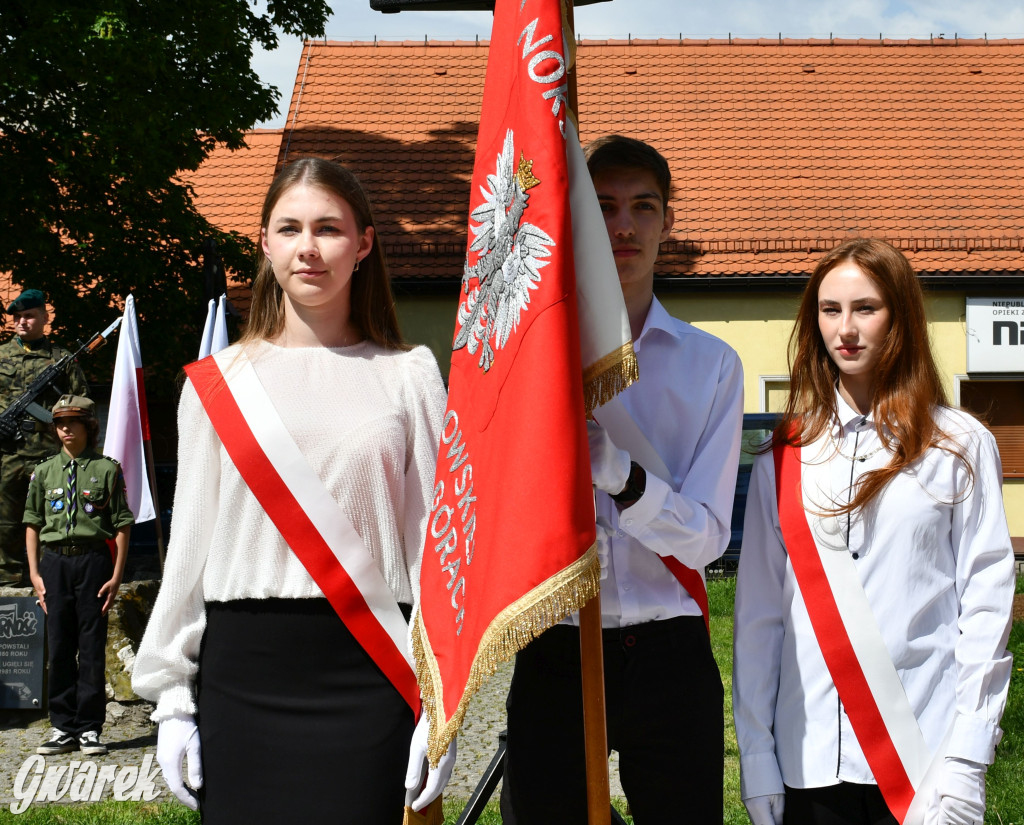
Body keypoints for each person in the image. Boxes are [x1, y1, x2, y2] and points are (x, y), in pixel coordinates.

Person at [132, 157, 454, 823]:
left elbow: (436, 549)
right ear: (265, 242)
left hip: (371, 667)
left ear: (363, 244)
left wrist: (443, 701)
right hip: (243, 673)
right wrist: (170, 702)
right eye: (290, 228)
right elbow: (188, 552)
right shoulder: (214, 383)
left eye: (329, 228)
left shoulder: (411, 376)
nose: (309, 247)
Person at [500, 135, 744, 823]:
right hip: (558, 644)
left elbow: (707, 541)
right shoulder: (531, 357)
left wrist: (621, 476)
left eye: (643, 206)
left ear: (668, 221)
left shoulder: (712, 366)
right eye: (603, 206)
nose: (624, 225)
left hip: (669, 647)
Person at [733, 239, 1015, 825]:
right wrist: (757, 755)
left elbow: (985, 606)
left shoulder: (958, 446)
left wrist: (967, 755)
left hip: (922, 757)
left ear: (901, 317)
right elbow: (759, 622)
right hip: (807, 762)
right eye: (830, 310)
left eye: (866, 308)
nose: (847, 328)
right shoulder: (784, 459)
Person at [24, 394, 134, 756]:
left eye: (72, 422)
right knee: (59, 645)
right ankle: (62, 727)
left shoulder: (106, 469)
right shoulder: (43, 472)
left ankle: (88, 728)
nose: (65, 429)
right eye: (59, 423)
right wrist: (35, 573)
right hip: (55, 564)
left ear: (89, 425)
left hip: (93, 563)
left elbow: (121, 525)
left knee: (90, 647)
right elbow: (33, 523)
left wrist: (117, 575)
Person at [0, 290, 89, 586]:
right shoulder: (1, 355)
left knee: (54, 515)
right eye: (17, 317)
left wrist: (57, 418)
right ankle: (8, 579)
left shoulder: (61, 359)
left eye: (29, 316)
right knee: (6, 518)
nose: (22, 322)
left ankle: (54, 576)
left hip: (49, 453)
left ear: (44, 318)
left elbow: (82, 403)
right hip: (8, 452)